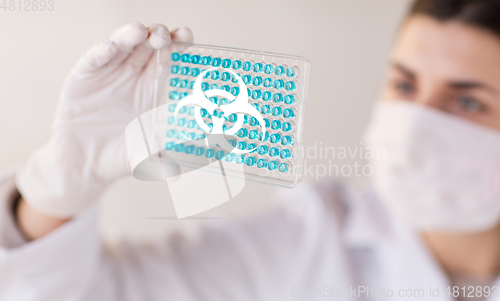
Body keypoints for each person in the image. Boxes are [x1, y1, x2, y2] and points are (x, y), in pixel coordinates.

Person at [2, 0, 500, 299]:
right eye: (405, 86)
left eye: (468, 101)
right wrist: (56, 189)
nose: (415, 128)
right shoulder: (309, 237)